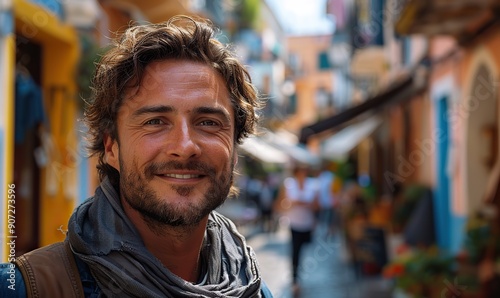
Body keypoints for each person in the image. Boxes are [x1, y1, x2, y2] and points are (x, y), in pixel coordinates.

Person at [0, 16, 273, 297]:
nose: (184, 145)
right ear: (111, 148)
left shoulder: (253, 289)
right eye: (155, 121)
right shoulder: (23, 289)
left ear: (234, 148)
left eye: (208, 122)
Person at [275, 164, 319, 294]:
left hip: (308, 223)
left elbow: (317, 206)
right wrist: (291, 204)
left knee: (305, 250)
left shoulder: (313, 185)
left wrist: (309, 205)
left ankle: (300, 273)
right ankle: (295, 279)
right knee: (295, 251)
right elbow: (280, 204)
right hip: (294, 223)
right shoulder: (288, 184)